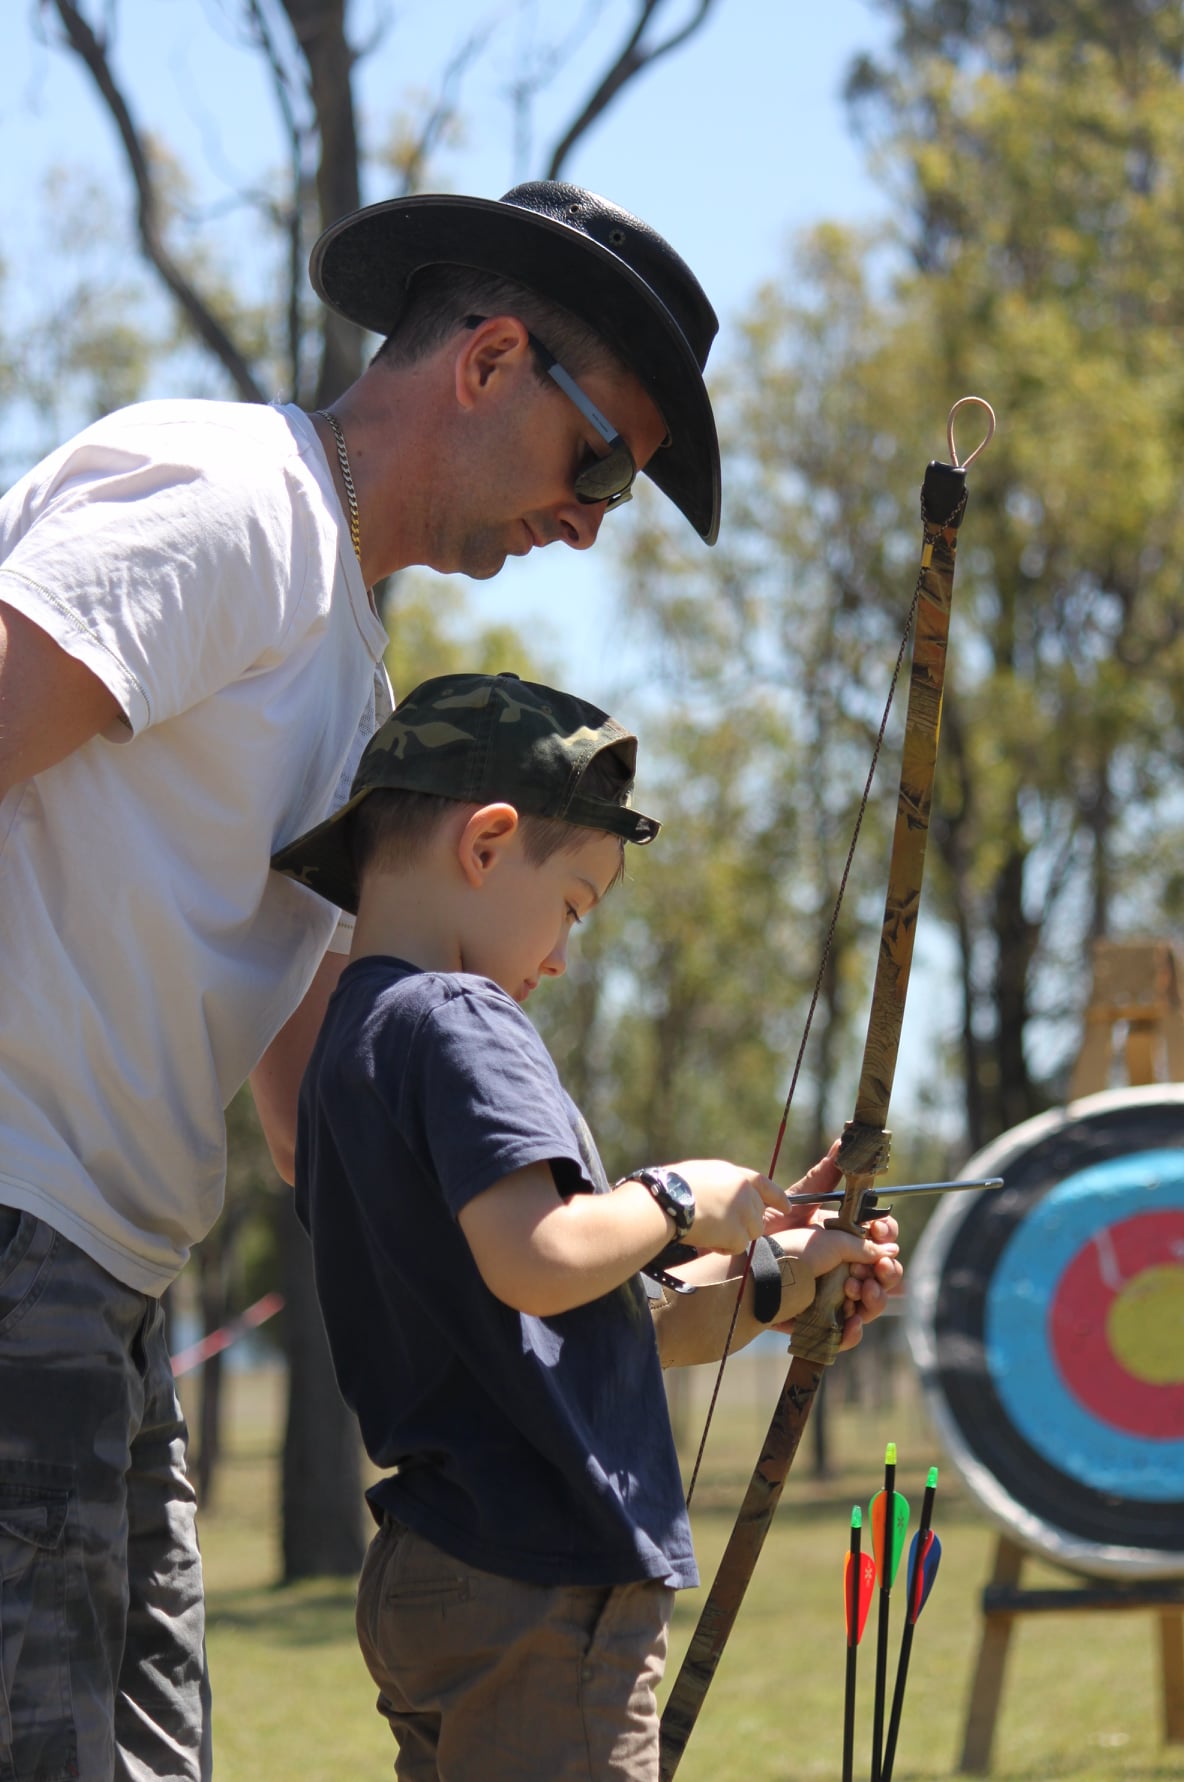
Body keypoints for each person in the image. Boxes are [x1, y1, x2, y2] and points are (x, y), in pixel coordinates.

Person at [0, 182, 725, 1782]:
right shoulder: (225, 495)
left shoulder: (352, 677)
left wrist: (714, 1275)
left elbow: (335, 1132)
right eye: (600, 459)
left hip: (107, 1281)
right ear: (490, 361)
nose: (592, 520)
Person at [272, 669, 903, 1781]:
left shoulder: (348, 1046)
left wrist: (776, 1278)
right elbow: (543, 1260)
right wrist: (677, 1200)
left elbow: (580, 1319)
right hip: (538, 1575)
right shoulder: (461, 1013)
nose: (559, 959)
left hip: (441, 1573)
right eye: (569, 906)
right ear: (486, 844)